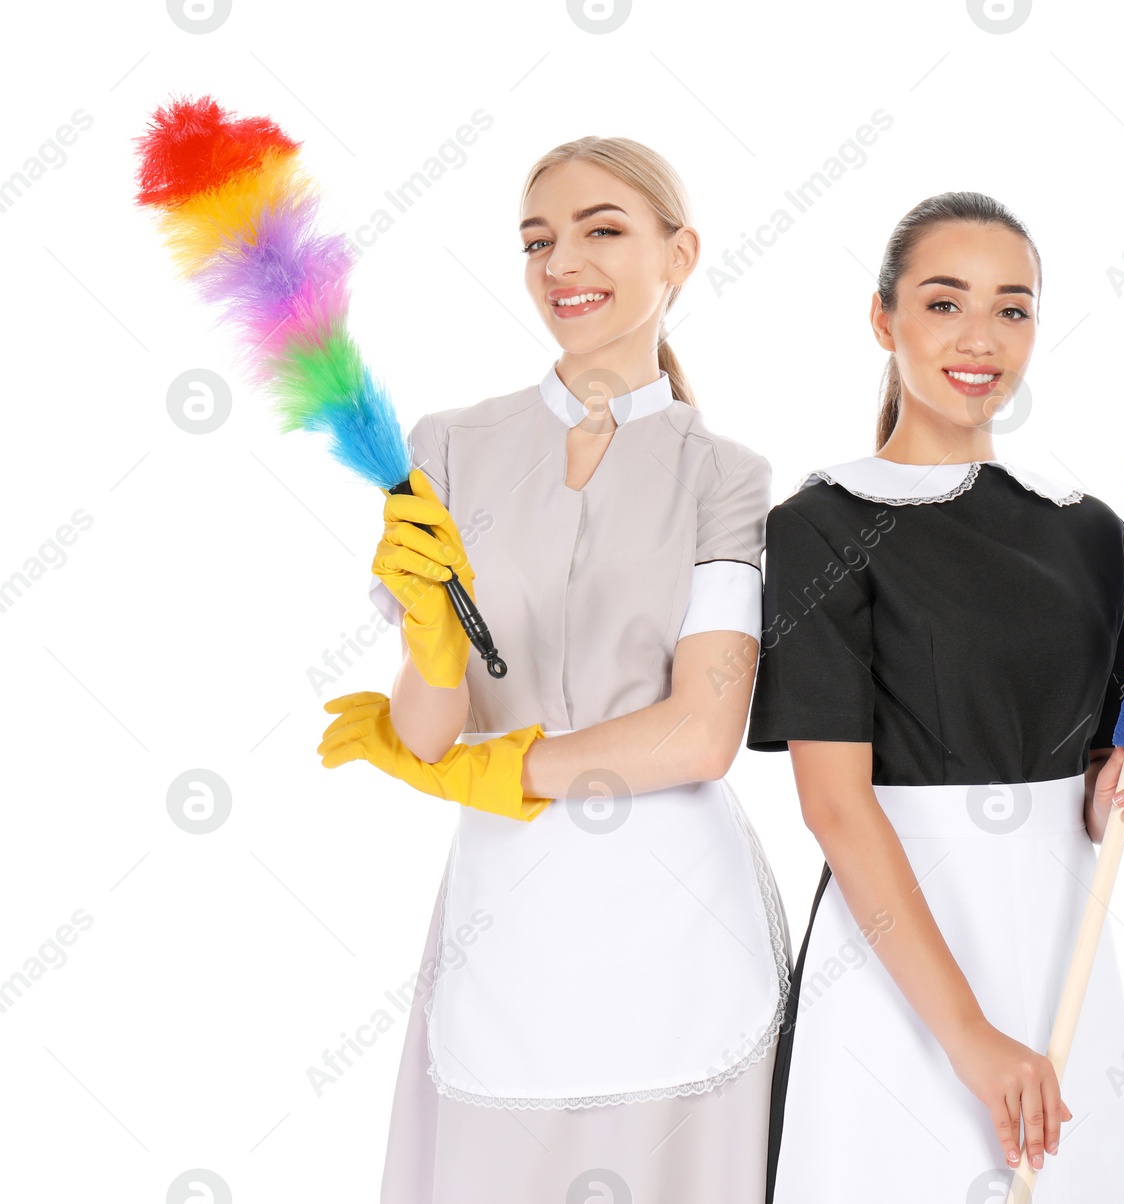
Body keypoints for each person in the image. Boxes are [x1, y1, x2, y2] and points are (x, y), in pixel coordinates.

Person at [318, 136, 790, 1203]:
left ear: (681, 255)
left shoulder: (727, 477)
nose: (560, 264)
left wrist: (500, 768)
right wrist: (433, 649)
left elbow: (702, 733)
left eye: (602, 231)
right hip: (508, 923)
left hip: (682, 928)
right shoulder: (444, 449)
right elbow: (431, 733)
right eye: (538, 241)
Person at [746, 191, 1124, 1202]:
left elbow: (1096, 775)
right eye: (944, 303)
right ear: (882, 318)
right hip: (897, 965)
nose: (980, 338)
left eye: (1012, 308)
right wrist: (972, 1038)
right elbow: (834, 807)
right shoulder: (821, 525)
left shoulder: (1090, 533)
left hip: (1063, 941)